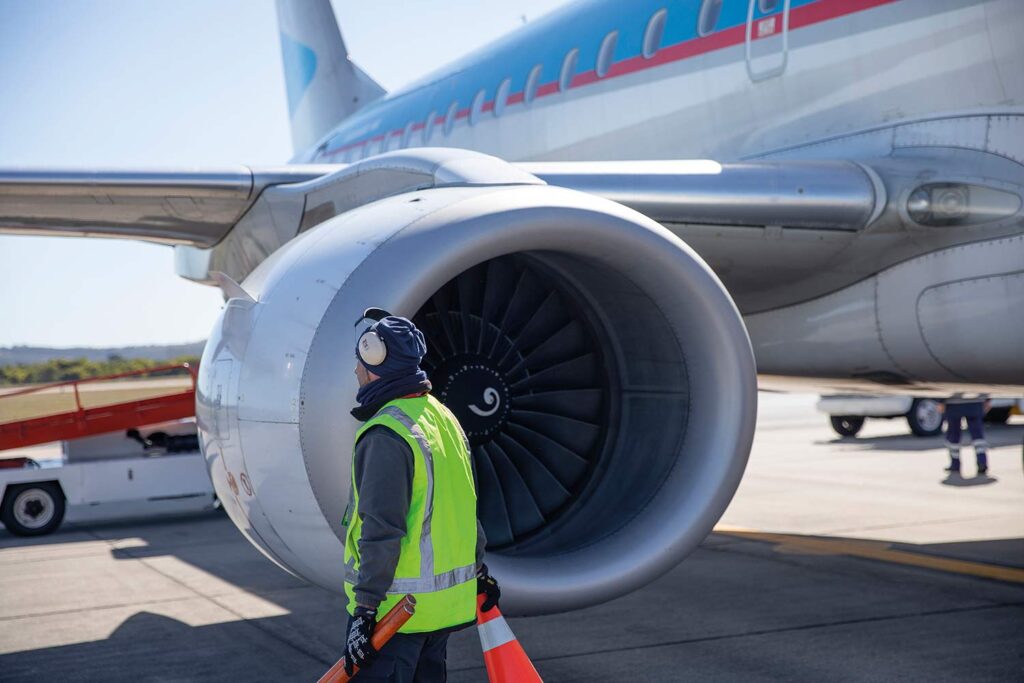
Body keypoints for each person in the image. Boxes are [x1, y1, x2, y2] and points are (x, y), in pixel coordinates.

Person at [343, 308, 501, 682]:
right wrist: (479, 570)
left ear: (375, 362)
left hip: (394, 617)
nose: (355, 371)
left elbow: (382, 529)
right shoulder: (444, 419)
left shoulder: (386, 434)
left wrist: (365, 611)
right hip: (437, 613)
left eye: (359, 362)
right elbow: (464, 506)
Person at [941, 396, 990, 476]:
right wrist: (987, 399)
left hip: (954, 403)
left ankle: (955, 463)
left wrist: (940, 401)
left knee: (953, 435)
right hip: (975, 402)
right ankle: (982, 461)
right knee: (977, 434)